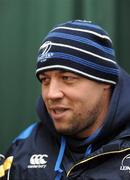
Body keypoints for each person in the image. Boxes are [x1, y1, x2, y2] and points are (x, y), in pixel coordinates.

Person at [1, 20, 130, 180]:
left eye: (67, 78)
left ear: (105, 81)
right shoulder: (22, 150)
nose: (51, 94)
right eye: (45, 80)